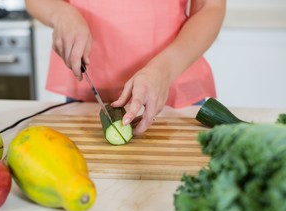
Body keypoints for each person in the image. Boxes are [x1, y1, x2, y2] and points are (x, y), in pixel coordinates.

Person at [25, 0, 226, 135]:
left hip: (174, 88)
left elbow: (211, 7)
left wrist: (165, 70)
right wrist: (61, 13)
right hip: (89, 91)